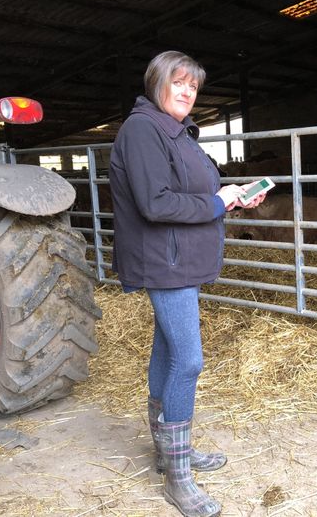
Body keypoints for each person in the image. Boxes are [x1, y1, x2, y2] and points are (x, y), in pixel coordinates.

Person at [108, 50, 267, 517]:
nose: (186, 92)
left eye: (193, 87)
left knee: (168, 349)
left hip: (179, 260)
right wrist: (216, 205)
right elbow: (156, 204)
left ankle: (170, 453)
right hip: (164, 262)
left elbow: (194, 193)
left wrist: (231, 197)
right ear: (156, 83)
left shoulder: (175, 133)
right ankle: (178, 478)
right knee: (189, 361)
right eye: (177, 83)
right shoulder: (143, 129)